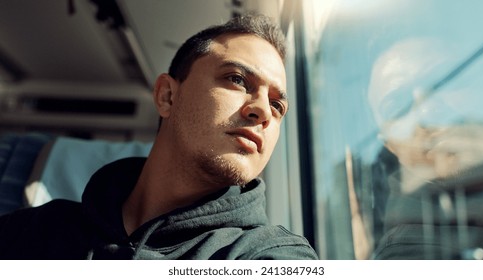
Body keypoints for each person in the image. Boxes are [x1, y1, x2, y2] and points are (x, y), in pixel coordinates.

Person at [0, 14, 318, 260]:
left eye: (277, 105)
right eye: (237, 79)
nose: (263, 110)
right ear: (167, 96)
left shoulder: (269, 255)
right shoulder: (34, 231)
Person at [367, 38, 483, 259]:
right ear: (389, 143)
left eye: (442, 80)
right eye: (397, 106)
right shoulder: (403, 253)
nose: (426, 110)